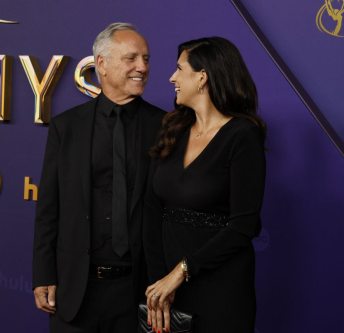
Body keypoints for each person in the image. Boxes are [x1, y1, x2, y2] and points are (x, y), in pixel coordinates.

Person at [33, 23, 166, 333]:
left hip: (139, 292)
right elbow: (48, 208)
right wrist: (43, 274)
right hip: (75, 289)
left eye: (146, 59)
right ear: (102, 64)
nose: (142, 67)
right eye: (131, 58)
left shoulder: (165, 127)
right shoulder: (67, 127)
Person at [143, 37, 266, 333]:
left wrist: (182, 271)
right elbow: (151, 210)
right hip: (167, 287)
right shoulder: (173, 129)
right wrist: (161, 281)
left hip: (221, 288)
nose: (171, 77)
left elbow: (243, 225)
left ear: (202, 77)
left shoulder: (242, 135)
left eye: (179, 69)